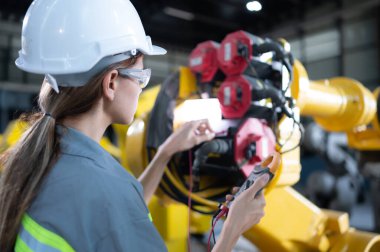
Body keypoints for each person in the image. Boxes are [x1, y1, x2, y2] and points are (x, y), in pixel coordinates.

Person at [0, 0, 269, 251]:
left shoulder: (36, 159)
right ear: (112, 82)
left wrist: (165, 152)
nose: (142, 87)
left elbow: (114, 212)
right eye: (142, 74)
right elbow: (113, 208)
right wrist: (232, 229)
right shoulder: (105, 190)